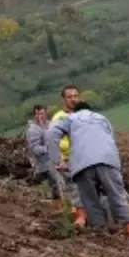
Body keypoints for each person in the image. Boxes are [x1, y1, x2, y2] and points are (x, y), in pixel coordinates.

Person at [44, 102, 129, 237]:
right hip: (108, 159)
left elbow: (51, 133)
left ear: (74, 111)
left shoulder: (70, 119)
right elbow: (110, 138)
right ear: (90, 110)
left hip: (82, 163)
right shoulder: (102, 118)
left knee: (90, 200)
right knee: (117, 196)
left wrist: (57, 160)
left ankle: (101, 233)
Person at [50, 85, 86, 228]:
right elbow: (52, 140)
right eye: (69, 97)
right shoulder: (58, 118)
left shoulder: (84, 114)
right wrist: (59, 160)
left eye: (75, 96)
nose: (73, 99)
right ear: (63, 99)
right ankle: (80, 219)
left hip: (84, 158)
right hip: (67, 160)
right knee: (73, 190)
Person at [25, 104, 60, 209]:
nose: (40, 116)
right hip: (44, 165)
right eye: (37, 114)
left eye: (42, 113)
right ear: (34, 115)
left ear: (46, 113)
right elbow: (35, 148)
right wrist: (48, 148)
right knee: (53, 189)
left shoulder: (51, 124)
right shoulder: (33, 130)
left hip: (56, 162)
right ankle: (55, 210)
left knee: (60, 187)